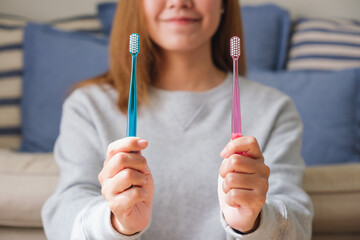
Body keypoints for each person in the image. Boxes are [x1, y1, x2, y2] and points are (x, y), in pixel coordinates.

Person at [42, 0, 313, 239]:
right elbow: (63, 214)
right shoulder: (89, 106)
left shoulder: (274, 109)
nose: (179, 1)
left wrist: (254, 222)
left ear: (223, 3)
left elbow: (297, 226)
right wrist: (116, 223)